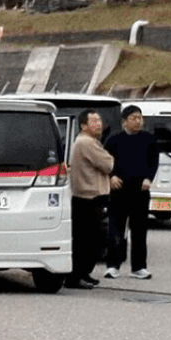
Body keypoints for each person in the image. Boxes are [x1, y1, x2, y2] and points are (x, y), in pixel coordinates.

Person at [103, 104, 160, 280]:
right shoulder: (114, 139)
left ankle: (139, 267)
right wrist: (111, 177)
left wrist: (149, 178)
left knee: (139, 230)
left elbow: (154, 161)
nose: (138, 121)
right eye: (134, 118)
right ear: (124, 122)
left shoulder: (149, 139)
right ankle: (113, 265)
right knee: (116, 229)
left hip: (140, 190)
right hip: (119, 190)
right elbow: (105, 161)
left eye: (140, 118)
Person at [66, 111, 115, 288]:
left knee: (90, 239)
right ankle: (76, 276)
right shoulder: (86, 142)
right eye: (93, 121)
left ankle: (83, 273)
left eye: (99, 120)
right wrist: (109, 158)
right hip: (88, 197)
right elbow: (108, 164)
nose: (98, 124)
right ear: (83, 126)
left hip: (87, 197)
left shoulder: (89, 142)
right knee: (88, 240)